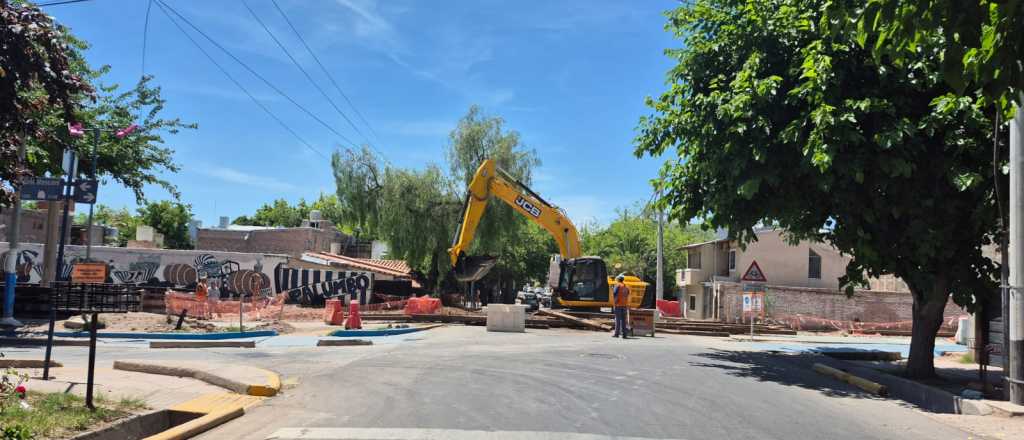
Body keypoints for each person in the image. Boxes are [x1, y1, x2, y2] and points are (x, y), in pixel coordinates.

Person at [612, 274, 630, 338]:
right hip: (624, 305)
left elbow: (614, 294)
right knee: (624, 320)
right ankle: (624, 334)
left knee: (617, 319)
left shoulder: (617, 286)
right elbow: (628, 294)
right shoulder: (626, 287)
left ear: (618, 279)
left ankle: (616, 334)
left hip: (618, 305)